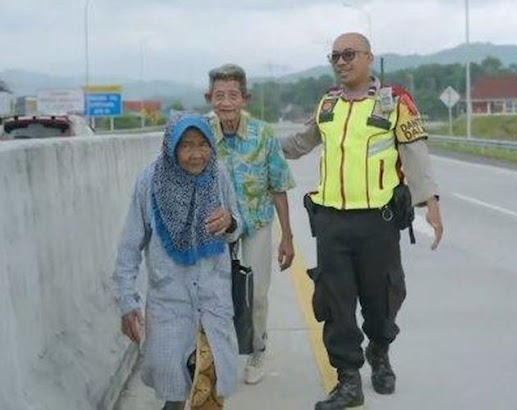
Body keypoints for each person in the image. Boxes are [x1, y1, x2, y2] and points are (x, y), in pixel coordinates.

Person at [280, 32, 444, 409]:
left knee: (381, 298)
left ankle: (380, 353)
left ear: (370, 58)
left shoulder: (394, 103)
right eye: (334, 56)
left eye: (349, 54)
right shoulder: (328, 105)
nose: (341, 62)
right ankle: (348, 380)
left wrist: (430, 203)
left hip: (378, 223)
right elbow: (299, 144)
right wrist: (256, 143)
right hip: (332, 223)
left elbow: (415, 153)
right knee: (335, 302)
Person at [112, 114, 242, 410]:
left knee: (210, 386)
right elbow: (130, 246)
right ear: (171, 147)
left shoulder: (218, 174)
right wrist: (127, 301)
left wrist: (231, 221)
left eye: (202, 145)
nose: (196, 154)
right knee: (174, 388)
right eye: (186, 146)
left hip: (213, 298)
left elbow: (238, 225)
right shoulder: (150, 182)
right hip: (170, 301)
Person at [204, 64, 296, 385]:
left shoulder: (263, 135)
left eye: (232, 95)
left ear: (245, 98)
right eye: (219, 96)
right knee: (216, 293)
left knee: (256, 292)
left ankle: (258, 348)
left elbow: (279, 186)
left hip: (256, 223)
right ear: (209, 98)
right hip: (217, 228)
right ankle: (219, 352)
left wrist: (287, 237)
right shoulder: (201, 134)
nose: (225, 102)